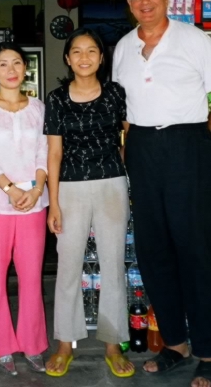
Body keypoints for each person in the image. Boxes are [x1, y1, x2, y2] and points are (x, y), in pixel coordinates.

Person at [112, 0, 211, 387]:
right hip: (143, 151)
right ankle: (176, 344)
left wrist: (202, 141)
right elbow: (123, 114)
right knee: (153, 252)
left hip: (188, 146)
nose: (144, 1)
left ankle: (208, 353)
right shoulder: (124, 48)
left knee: (194, 251)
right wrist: (129, 150)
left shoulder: (193, 38)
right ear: (129, 3)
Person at [44, 29, 135, 378]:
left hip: (112, 183)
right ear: (68, 59)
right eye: (77, 52)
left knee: (113, 265)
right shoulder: (56, 99)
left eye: (92, 51)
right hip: (70, 187)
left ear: (101, 57)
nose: (84, 57)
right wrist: (53, 203)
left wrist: (128, 170)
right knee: (68, 266)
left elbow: (132, 135)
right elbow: (54, 152)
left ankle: (113, 345)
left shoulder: (115, 94)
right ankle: (66, 343)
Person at [0, 42, 49, 376]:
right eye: (3, 64)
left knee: (32, 277)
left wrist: (38, 187)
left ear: (25, 68)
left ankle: (33, 345)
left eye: (17, 62)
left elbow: (46, 151)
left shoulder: (39, 107)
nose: (11, 69)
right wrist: (10, 188)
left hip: (34, 204)